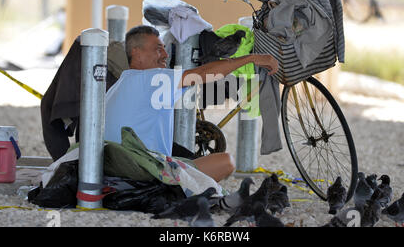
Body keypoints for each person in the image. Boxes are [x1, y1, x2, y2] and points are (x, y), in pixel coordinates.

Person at [104, 25, 278, 183]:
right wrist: (252, 58)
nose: (165, 55)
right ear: (137, 53)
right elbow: (203, 73)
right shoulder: (153, 79)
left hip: (115, 166)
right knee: (225, 162)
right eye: (158, 49)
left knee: (181, 152)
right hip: (141, 171)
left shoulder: (118, 86)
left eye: (164, 49)